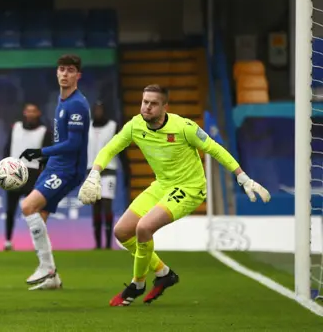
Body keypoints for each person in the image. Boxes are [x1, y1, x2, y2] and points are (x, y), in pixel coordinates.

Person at [78, 84, 271, 306]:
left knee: (143, 228)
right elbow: (109, 149)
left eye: (153, 103)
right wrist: (95, 173)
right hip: (162, 185)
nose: (147, 107)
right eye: (144, 102)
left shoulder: (184, 127)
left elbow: (215, 149)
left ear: (164, 107)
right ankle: (163, 274)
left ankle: (137, 284)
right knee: (122, 232)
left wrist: (242, 176)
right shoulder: (135, 125)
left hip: (189, 188)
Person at [18, 54, 90, 291]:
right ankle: (52, 278)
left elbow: (74, 144)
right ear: (56, 72)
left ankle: (46, 268)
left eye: (70, 70)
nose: (65, 74)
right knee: (40, 217)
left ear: (78, 75)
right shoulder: (62, 101)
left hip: (68, 169)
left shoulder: (77, 104)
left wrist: (41, 152)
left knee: (28, 206)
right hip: (56, 167)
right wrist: (47, 163)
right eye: (61, 69)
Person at [2, 102, 52, 251]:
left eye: (33, 111)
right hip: (14, 171)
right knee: (10, 210)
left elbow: (46, 156)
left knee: (33, 210)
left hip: (33, 174)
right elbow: (7, 148)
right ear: (24, 113)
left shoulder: (44, 131)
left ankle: (38, 241)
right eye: (28, 111)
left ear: (38, 113)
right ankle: (8, 240)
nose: (30, 114)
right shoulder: (15, 127)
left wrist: (43, 173)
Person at [87, 101, 118, 250]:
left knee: (107, 205)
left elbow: (121, 150)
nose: (98, 112)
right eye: (96, 109)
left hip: (109, 171)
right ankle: (98, 244)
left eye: (101, 109)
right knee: (96, 208)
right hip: (91, 171)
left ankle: (108, 244)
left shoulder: (113, 126)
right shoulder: (87, 127)